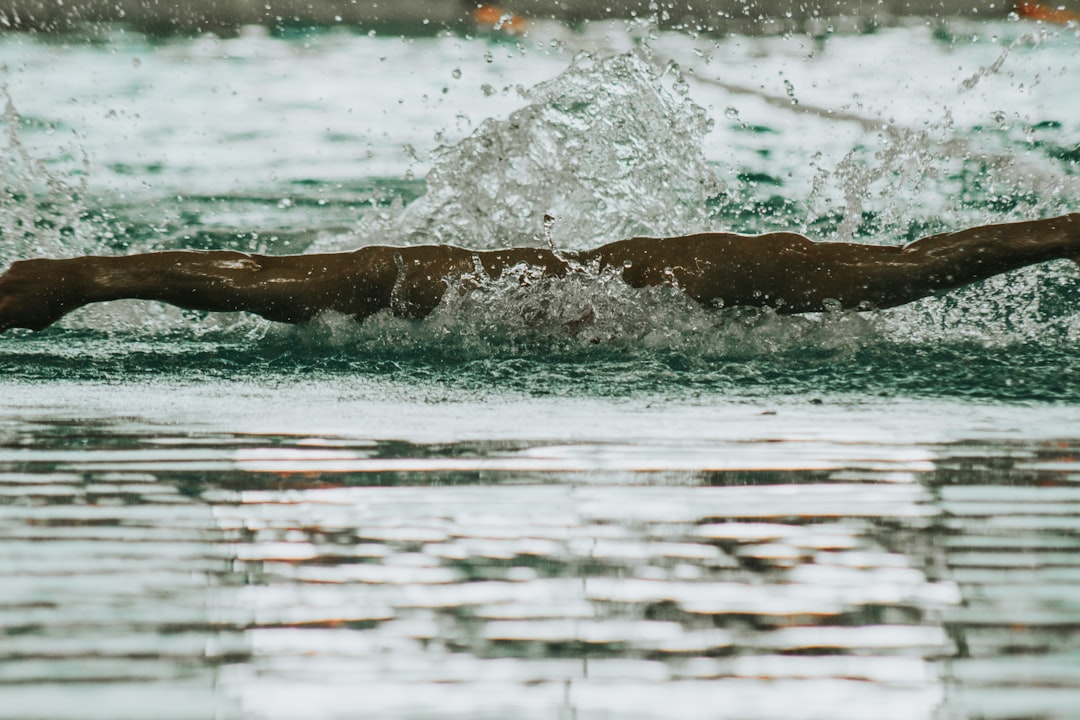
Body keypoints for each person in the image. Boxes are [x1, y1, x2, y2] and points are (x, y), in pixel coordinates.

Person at [0, 214, 1077, 334]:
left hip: (483, 285)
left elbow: (933, 264)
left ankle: (76, 277)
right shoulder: (765, 277)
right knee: (283, 288)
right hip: (463, 283)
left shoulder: (762, 274)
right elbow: (935, 264)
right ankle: (73, 278)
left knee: (283, 285)